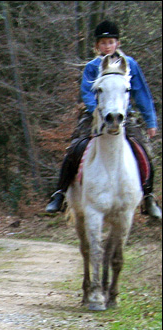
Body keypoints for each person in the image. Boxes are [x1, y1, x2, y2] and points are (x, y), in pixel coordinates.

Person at [45, 20, 161, 220]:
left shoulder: (130, 64)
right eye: (103, 43)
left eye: (111, 42)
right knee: (74, 149)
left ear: (117, 43)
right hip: (94, 116)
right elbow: (87, 93)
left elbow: (141, 93)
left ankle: (148, 197)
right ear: (97, 46)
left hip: (124, 117)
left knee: (144, 150)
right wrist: (95, 110)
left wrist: (150, 122)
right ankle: (60, 193)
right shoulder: (92, 67)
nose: (107, 46)